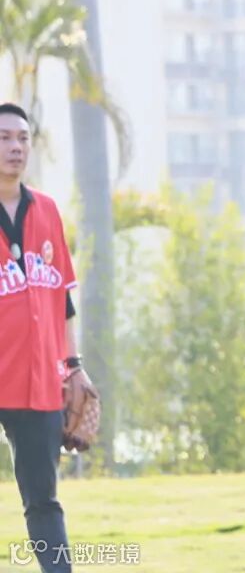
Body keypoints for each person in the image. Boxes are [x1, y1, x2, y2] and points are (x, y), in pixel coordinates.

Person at [0, 102, 94, 573]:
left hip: (38, 382)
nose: (15, 147)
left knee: (43, 500)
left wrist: (73, 366)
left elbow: (63, 299)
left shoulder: (48, 211)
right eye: (4, 138)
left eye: (22, 138)